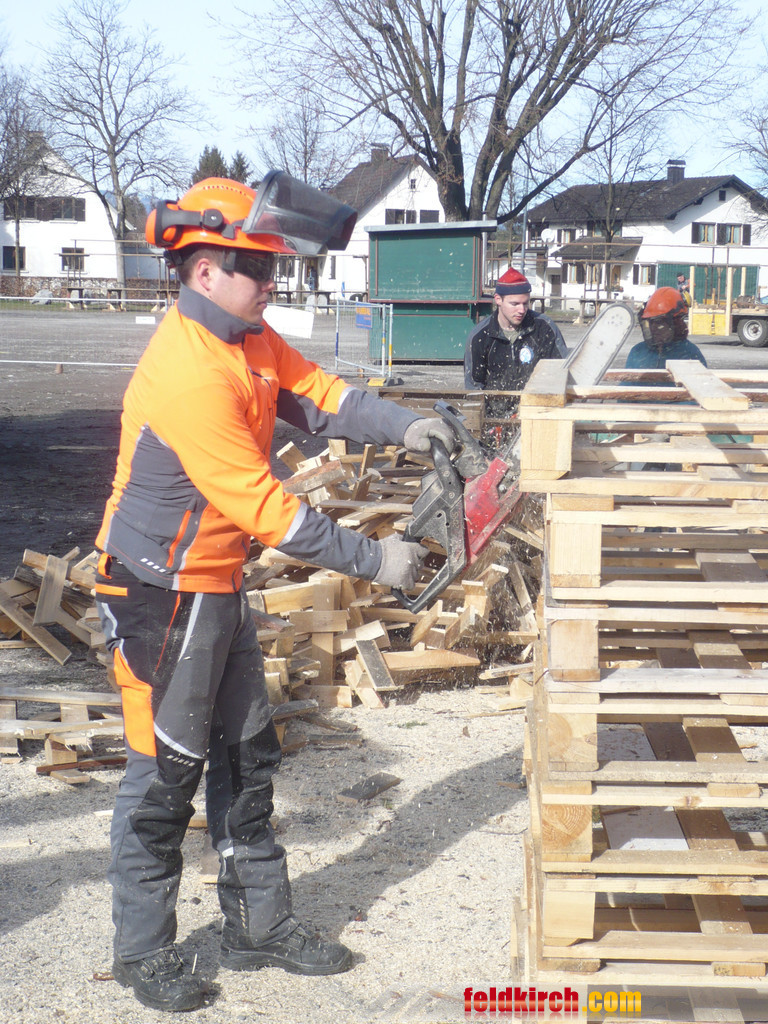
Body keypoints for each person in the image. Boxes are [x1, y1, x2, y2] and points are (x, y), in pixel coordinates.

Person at [93, 175, 455, 1013]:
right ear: (204, 269)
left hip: (214, 583)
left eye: (274, 268)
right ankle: (142, 951)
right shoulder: (189, 372)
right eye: (257, 268)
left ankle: (256, 926)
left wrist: (407, 425)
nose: (271, 283)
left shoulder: (249, 338)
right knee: (164, 773)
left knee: (248, 755)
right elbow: (271, 512)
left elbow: (321, 397)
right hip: (159, 593)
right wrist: (379, 559)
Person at [464, 267, 567, 442]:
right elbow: (474, 388)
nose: (521, 309)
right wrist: (485, 425)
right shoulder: (480, 337)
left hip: (536, 416)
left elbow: (560, 373)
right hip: (495, 422)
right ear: (498, 299)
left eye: (526, 303)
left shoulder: (544, 328)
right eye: (515, 304)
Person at [626, 286, 705, 370]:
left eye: (659, 322)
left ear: (676, 322)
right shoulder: (637, 352)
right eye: (651, 322)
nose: (654, 328)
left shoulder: (690, 355)